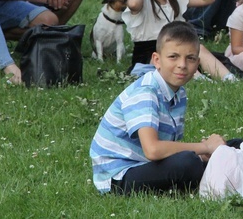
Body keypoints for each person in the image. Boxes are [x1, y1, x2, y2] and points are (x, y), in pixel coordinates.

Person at [90, 21, 227, 194]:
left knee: (229, 146)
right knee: (188, 163)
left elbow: (167, 147)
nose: (182, 65)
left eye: (190, 58)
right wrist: (204, 148)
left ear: (197, 63)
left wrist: (202, 152)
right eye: (173, 57)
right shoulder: (145, 92)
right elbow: (153, 150)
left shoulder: (179, 93)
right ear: (157, 60)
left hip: (144, 165)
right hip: (119, 177)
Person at [124, 0, 236, 81]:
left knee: (197, 49)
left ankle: (229, 79)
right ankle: (202, 81)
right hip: (150, 54)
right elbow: (133, 4)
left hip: (179, 45)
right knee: (178, 56)